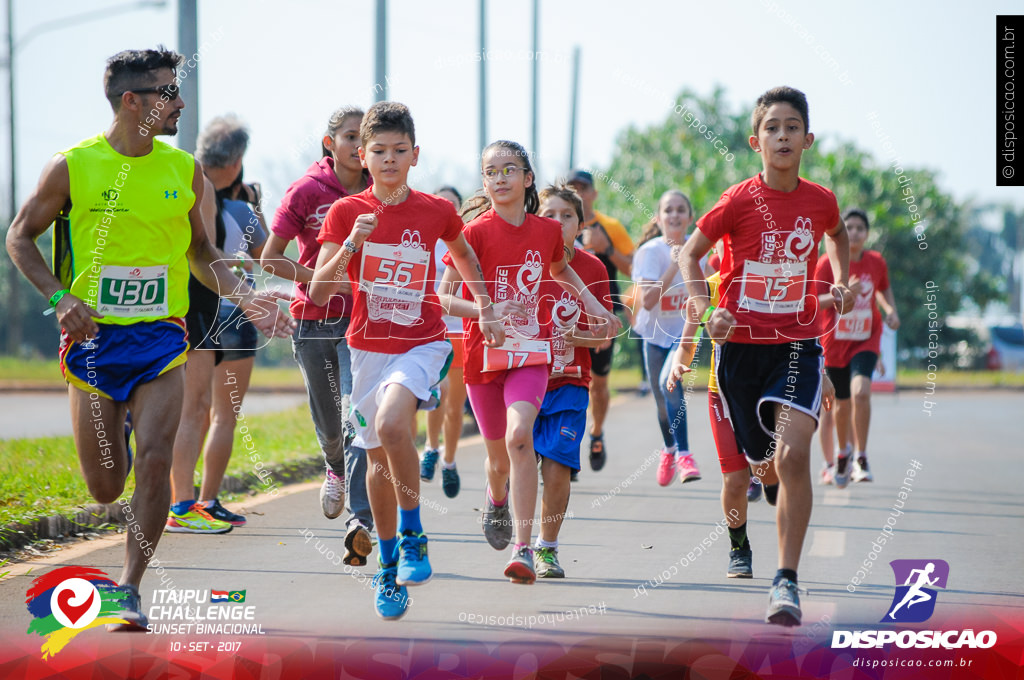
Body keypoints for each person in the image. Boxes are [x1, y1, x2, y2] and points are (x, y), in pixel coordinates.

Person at [5, 47, 292, 631]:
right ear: (131, 100)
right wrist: (61, 299)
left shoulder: (182, 169)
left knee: (157, 461)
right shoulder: (72, 167)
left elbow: (202, 253)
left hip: (162, 340)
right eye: (167, 92)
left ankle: (129, 589)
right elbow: (20, 237)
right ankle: (122, 437)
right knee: (107, 485)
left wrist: (246, 296)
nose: (180, 102)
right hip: (91, 347)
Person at [309, 101, 503, 620]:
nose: (389, 159)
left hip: (423, 342)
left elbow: (464, 256)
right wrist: (351, 244)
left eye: (399, 151)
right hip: (367, 347)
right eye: (378, 151)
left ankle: (414, 531)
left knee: (395, 423)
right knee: (376, 460)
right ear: (361, 156)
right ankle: (391, 565)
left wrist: (483, 302)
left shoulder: (435, 211)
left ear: (415, 155)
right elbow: (322, 286)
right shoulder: (346, 213)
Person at [679, 86, 854, 627]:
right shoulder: (737, 201)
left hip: (798, 342)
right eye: (773, 128)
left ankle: (786, 581)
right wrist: (708, 313)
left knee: (794, 457)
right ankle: (752, 533)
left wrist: (841, 278)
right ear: (757, 141)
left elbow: (837, 235)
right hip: (740, 352)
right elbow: (689, 253)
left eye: (792, 127)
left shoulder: (820, 200)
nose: (783, 135)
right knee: (759, 463)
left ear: (807, 138)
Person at [438, 142, 620, 586]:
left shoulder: (544, 232)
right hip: (486, 356)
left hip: (531, 354)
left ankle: (524, 548)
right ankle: (495, 497)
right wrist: (484, 311)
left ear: (527, 178)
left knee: (521, 438)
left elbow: (563, 272)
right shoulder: (475, 234)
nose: (500, 179)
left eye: (509, 170)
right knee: (499, 460)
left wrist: (597, 308)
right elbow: (441, 296)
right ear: (484, 182)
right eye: (491, 172)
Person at [261, 106, 376, 566]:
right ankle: (334, 466)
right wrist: (321, 278)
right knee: (330, 425)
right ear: (330, 143)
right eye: (350, 137)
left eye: (363, 139)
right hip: (312, 318)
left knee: (355, 414)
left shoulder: (381, 191)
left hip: (362, 322)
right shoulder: (307, 191)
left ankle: (360, 520)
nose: (357, 147)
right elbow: (271, 258)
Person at [533, 183, 612, 577]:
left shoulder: (593, 268)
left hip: (570, 383)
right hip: (521, 380)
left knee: (558, 466)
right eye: (549, 214)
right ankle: (507, 519)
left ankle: (547, 549)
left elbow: (605, 332)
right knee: (512, 463)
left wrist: (574, 338)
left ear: (581, 225)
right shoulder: (523, 258)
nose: (558, 222)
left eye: (567, 216)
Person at [816, 208, 899, 488]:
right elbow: (812, 301)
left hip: (866, 339)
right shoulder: (827, 264)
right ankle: (843, 454)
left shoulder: (876, 261)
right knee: (840, 405)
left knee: (861, 392)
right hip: (834, 343)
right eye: (848, 227)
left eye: (859, 228)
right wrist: (842, 293)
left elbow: (883, 288)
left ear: (867, 233)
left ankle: (862, 457)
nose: (853, 233)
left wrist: (890, 310)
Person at [630, 190, 700, 486]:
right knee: (661, 403)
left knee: (667, 383)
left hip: (683, 335)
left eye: (680, 209)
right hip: (654, 334)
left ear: (690, 218)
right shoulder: (649, 252)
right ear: (658, 219)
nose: (674, 215)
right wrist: (676, 263)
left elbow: (707, 293)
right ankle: (669, 448)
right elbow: (647, 301)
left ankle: (685, 455)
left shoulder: (701, 250)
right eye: (668, 210)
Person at [567, 170, 634, 471]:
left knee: (599, 385)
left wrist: (606, 249)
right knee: (564, 382)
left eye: (584, 188)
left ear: (594, 193)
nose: (579, 193)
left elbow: (634, 269)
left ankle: (596, 433)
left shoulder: (610, 226)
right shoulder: (554, 224)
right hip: (564, 316)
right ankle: (565, 448)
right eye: (573, 188)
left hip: (603, 315)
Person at [419, 185, 466, 498]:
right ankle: (431, 448)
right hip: (430, 328)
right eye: (442, 203)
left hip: (461, 328)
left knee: (455, 403)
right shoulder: (422, 242)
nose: (446, 208)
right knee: (438, 389)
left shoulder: (466, 243)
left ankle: (449, 461)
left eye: (453, 205)